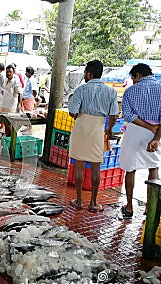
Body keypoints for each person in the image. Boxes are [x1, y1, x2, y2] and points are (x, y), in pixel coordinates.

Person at [68, 60, 119, 212]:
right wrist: (109, 130)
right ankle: (93, 203)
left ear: (89, 74)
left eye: (85, 73)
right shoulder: (111, 92)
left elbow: (72, 111)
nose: (84, 76)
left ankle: (78, 201)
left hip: (81, 126)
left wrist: (82, 117)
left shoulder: (81, 90)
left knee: (79, 164)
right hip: (98, 128)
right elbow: (114, 115)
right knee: (96, 166)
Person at [119, 63, 161, 218]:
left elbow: (128, 115)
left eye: (133, 77)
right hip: (157, 132)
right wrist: (155, 135)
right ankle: (150, 208)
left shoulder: (130, 91)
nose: (133, 80)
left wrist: (148, 127)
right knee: (153, 169)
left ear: (137, 75)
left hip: (135, 131)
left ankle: (129, 207)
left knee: (130, 169)